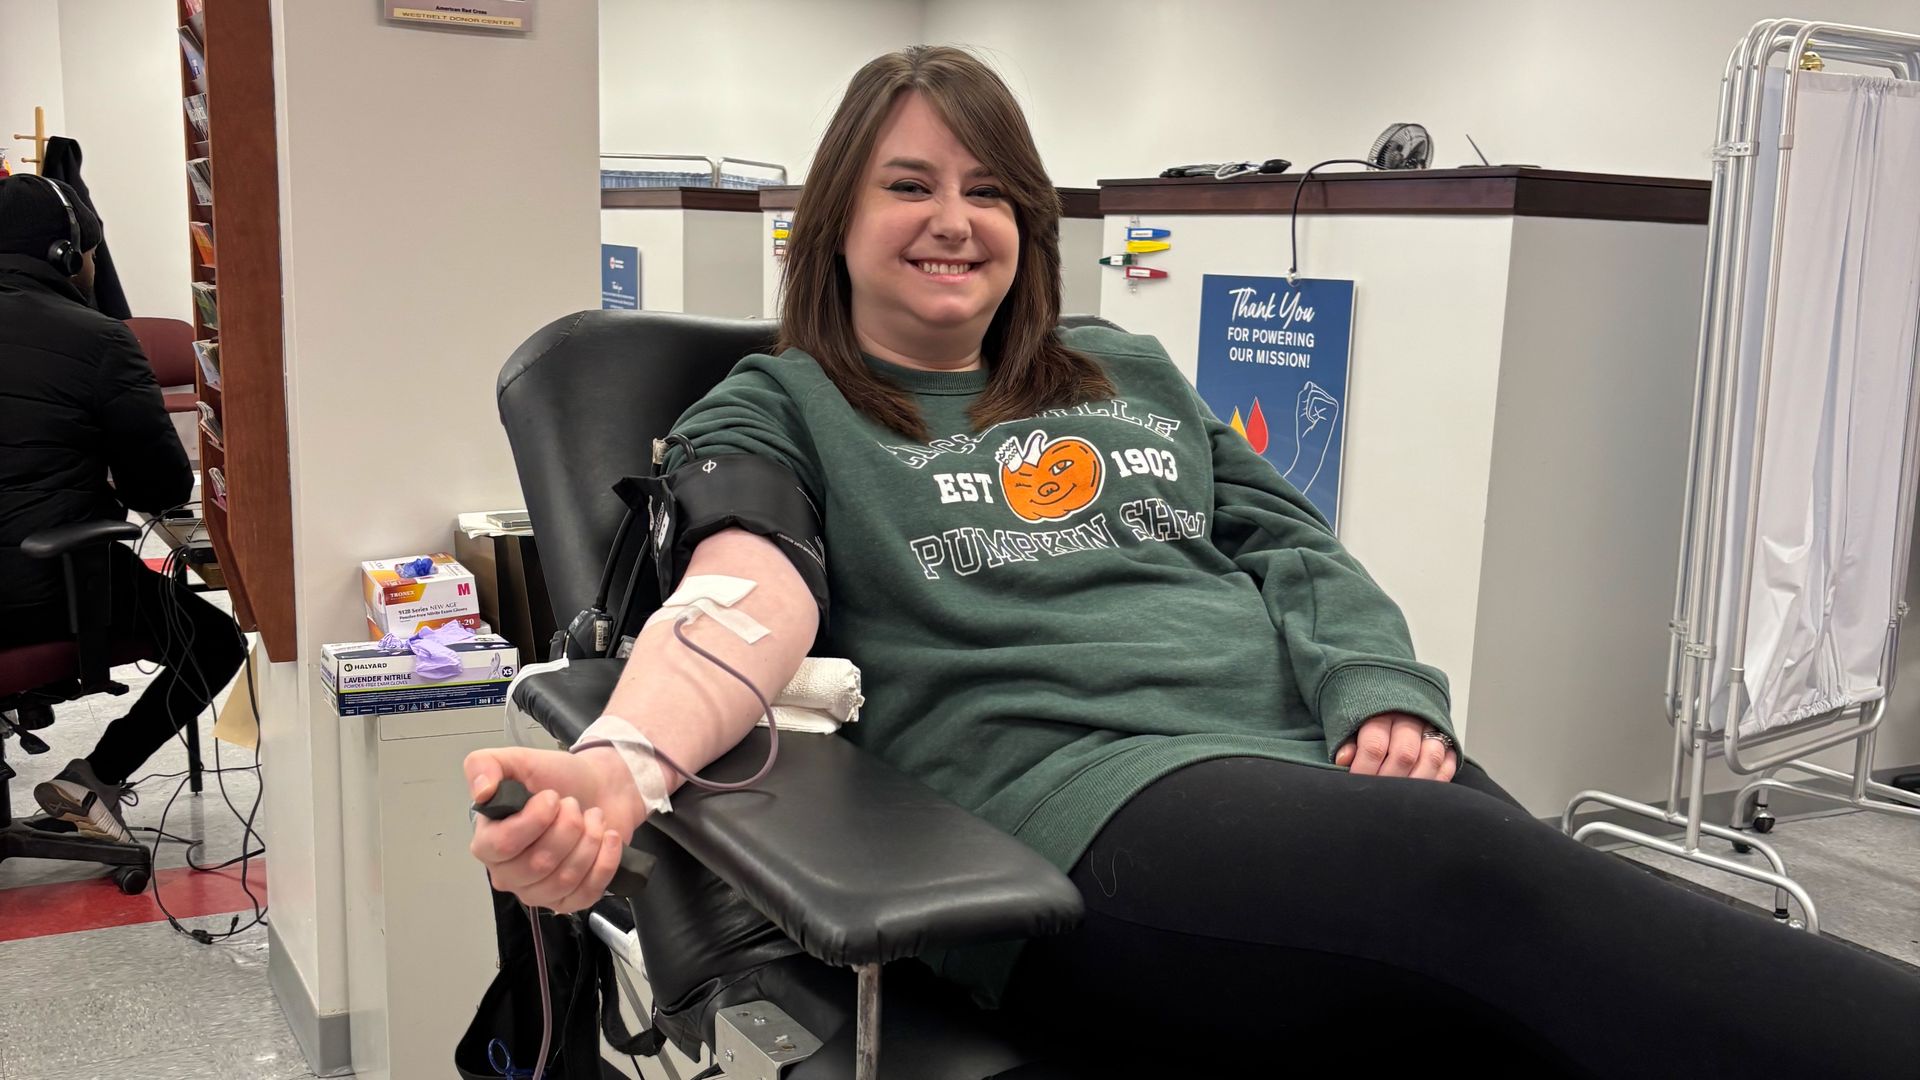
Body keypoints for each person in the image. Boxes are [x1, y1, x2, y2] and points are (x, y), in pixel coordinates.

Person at [466, 47, 1920, 1075]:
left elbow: (1285, 539)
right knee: (1501, 893)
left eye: (991, 190)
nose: (955, 221)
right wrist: (627, 764)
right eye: (908, 185)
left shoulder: (1122, 364)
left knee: (1536, 976)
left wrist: (1375, 688)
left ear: (1030, 226)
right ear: (836, 219)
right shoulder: (784, 404)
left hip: (1317, 770)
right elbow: (746, 591)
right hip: (1083, 812)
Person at [0, 173, 245, 844]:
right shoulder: (98, 340)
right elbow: (160, 488)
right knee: (214, 640)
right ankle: (95, 779)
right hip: (49, 589)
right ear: (63, 254)